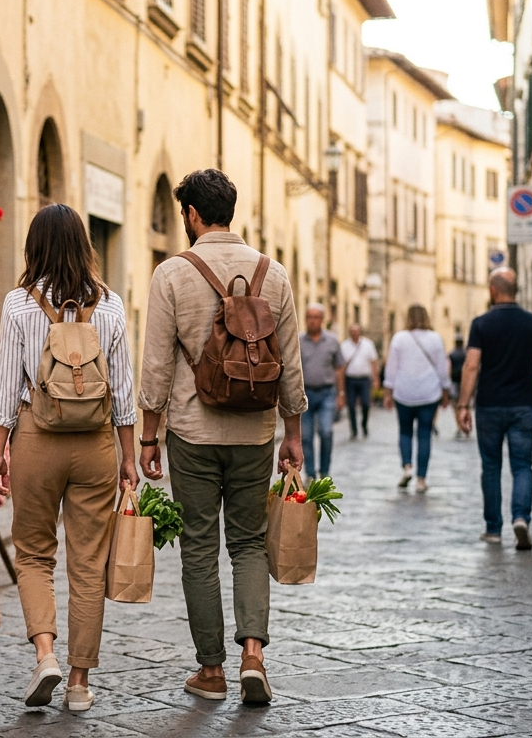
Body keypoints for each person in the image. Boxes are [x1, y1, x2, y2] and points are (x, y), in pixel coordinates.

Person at [137, 169, 306, 705]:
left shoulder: (171, 274)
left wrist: (148, 435)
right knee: (250, 542)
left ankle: (211, 671)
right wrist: (292, 432)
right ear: (231, 210)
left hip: (192, 429)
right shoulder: (272, 274)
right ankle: (252, 655)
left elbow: (156, 364)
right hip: (256, 430)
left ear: (191, 214)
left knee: (200, 549)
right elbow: (291, 365)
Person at [0, 203, 138, 712]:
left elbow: (7, 386)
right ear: (84, 245)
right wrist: (129, 457)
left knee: (32, 552)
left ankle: (45, 654)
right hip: (95, 443)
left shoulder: (18, 304)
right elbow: (124, 389)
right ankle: (78, 683)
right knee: (89, 563)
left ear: (35, 246)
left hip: (36, 437)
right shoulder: (112, 305)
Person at [456, 268, 532, 550]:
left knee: (491, 467)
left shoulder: (481, 324)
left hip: (489, 405)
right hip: (523, 405)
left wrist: (463, 404)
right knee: (522, 465)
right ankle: (521, 518)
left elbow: (472, 365)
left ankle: (493, 529)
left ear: (492, 290)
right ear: (516, 291)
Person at [382, 304, 451, 493]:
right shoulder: (436, 338)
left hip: (404, 393)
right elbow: (442, 369)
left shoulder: (399, 338)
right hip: (429, 393)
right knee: (424, 434)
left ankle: (407, 467)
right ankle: (421, 479)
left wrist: (388, 392)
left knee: (404, 431)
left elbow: (391, 368)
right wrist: (446, 391)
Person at [299, 305, 345, 478]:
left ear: (322, 320)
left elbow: (339, 368)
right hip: (305, 394)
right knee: (306, 436)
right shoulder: (299, 341)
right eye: (310, 316)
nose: (313, 320)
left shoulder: (332, 341)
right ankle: (310, 473)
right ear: (305, 319)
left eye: (316, 317)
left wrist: (341, 394)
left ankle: (324, 471)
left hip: (327, 392)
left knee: (326, 432)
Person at [341, 324, 379, 439]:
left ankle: (364, 424)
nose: (354, 333)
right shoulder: (344, 346)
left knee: (366, 404)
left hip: (364, 379)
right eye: (352, 331)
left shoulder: (368, 344)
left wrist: (376, 379)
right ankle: (354, 430)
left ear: (360, 332)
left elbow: (373, 362)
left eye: (356, 331)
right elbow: (341, 366)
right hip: (350, 379)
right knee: (351, 405)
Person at [448, 337, 469, 439]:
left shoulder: (451, 354)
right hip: (466, 382)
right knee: (466, 404)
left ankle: (459, 426)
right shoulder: (467, 354)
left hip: (455, 382)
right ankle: (466, 426)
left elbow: (449, 369)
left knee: (456, 406)